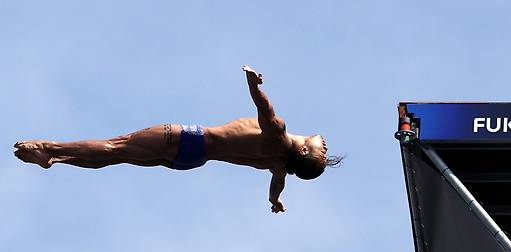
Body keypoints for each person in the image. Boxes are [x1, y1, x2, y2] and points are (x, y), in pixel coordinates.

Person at [13, 65, 343, 213]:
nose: (324, 146)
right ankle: (56, 158)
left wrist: (253, 85)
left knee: (118, 145)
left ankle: (48, 149)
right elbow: (277, 185)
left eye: (320, 152)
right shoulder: (278, 164)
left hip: (190, 140)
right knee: (118, 154)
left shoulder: (279, 136)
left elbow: (265, 111)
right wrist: (274, 202)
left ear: (303, 149)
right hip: (191, 161)